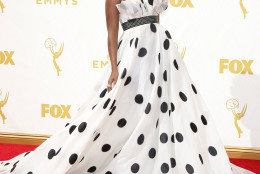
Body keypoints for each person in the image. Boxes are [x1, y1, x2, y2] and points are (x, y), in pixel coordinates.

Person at [0, 0, 255, 173]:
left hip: (162, 51)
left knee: (169, 106)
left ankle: (164, 155)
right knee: (119, 109)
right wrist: (113, 67)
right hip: (133, 53)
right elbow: (112, 33)